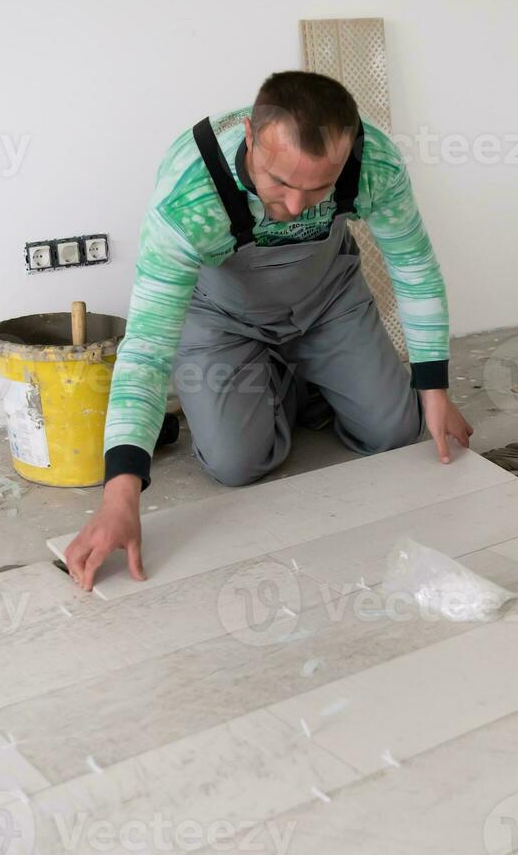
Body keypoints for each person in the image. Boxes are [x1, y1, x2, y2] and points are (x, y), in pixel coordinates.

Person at [63, 71, 472, 589]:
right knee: (237, 463)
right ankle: (270, 378)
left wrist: (433, 388)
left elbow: (413, 266)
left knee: (394, 431)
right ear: (251, 140)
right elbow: (146, 348)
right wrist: (118, 497)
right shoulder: (189, 194)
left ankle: (294, 379)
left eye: (318, 187)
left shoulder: (376, 164)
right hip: (222, 319)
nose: (297, 206)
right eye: (280, 183)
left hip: (327, 300)